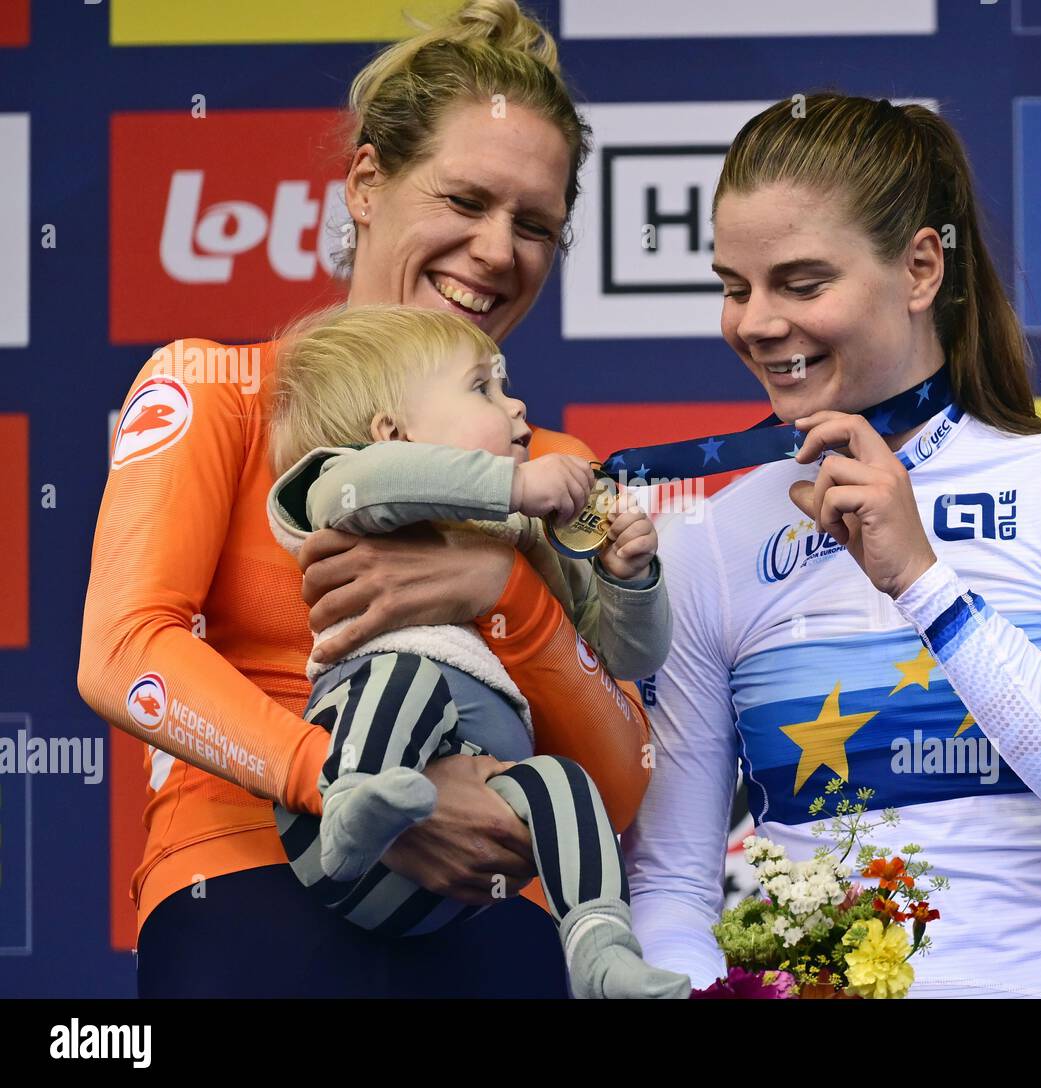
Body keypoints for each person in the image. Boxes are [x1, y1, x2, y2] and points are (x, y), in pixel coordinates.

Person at [78, 0, 654, 998]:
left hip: (492, 910)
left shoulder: (551, 464)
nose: (495, 249)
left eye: (533, 226)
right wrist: (349, 787)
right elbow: (124, 653)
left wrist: (502, 590)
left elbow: (619, 781)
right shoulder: (219, 389)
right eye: (465, 200)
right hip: (244, 885)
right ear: (364, 183)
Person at [622, 94, 1041, 999]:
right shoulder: (710, 537)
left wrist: (924, 584)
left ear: (922, 267)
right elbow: (669, 887)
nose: (758, 322)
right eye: (735, 287)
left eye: (803, 283)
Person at [263, 303, 689, 998]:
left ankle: (601, 949)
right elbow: (385, 479)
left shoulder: (522, 534)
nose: (517, 404)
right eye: (482, 387)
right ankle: (355, 803)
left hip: (458, 867)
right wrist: (514, 488)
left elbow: (627, 657)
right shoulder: (340, 488)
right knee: (406, 678)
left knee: (563, 782)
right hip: (343, 846)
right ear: (390, 432)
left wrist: (628, 579)